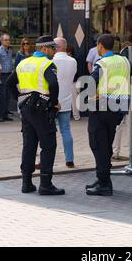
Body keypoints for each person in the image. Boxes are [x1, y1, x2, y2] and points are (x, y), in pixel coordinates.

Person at [7, 35, 65, 196]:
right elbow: (53, 84)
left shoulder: (23, 63)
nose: (54, 51)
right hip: (42, 108)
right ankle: (45, 184)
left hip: (26, 108)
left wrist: (19, 97)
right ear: (44, 49)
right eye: (53, 48)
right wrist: (54, 103)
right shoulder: (47, 64)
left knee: (29, 145)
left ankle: (26, 183)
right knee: (48, 145)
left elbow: (9, 83)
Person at [86, 33, 132, 196]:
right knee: (106, 143)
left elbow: (90, 83)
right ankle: (103, 179)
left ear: (100, 45)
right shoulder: (125, 61)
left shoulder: (102, 63)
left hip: (102, 108)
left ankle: (104, 184)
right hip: (118, 109)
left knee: (98, 145)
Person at [53, 37, 77, 168]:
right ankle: (70, 159)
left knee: (49, 132)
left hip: (52, 101)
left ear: (57, 47)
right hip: (66, 100)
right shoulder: (73, 61)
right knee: (66, 130)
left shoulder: (51, 61)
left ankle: (48, 158)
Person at [0, 33, 13, 122]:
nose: (8, 41)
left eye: (9, 40)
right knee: (2, 95)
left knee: (8, 95)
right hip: (2, 75)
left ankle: (5, 114)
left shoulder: (10, 50)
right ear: (1, 41)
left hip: (9, 74)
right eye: (6, 40)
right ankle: (0, 115)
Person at [67, 44, 81, 121]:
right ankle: (75, 115)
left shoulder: (74, 60)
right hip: (71, 81)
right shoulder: (73, 60)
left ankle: (76, 115)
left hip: (73, 81)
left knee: (74, 100)